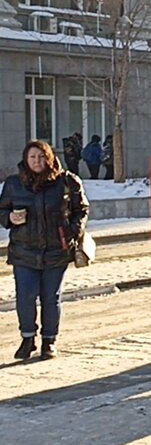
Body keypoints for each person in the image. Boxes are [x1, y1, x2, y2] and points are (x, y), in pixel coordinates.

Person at [0, 140, 89, 360]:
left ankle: (49, 340)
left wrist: (71, 231)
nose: (37, 162)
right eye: (32, 157)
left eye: (41, 157)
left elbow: (81, 209)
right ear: (25, 159)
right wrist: (9, 218)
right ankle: (27, 338)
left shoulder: (66, 182)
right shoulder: (13, 184)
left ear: (49, 158)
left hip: (55, 250)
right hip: (24, 251)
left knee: (50, 297)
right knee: (25, 296)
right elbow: (1, 210)